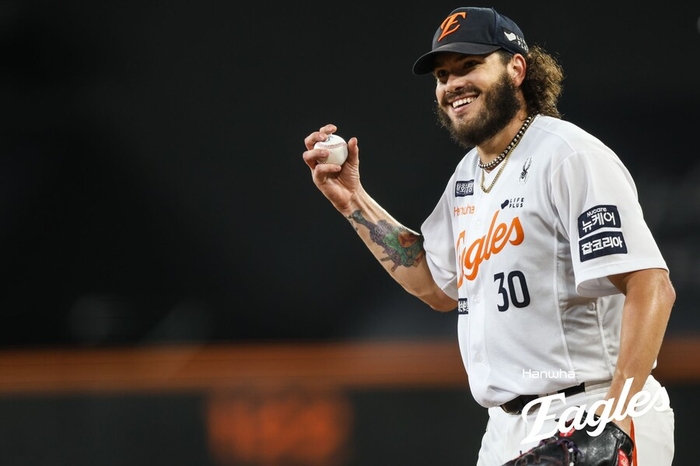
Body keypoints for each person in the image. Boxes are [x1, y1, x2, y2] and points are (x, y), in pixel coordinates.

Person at [302, 6, 675, 466]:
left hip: (591, 406)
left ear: (516, 69)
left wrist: (613, 420)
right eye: (443, 75)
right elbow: (437, 286)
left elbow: (651, 285)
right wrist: (353, 201)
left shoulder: (568, 156)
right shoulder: (468, 175)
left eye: (469, 65)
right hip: (504, 427)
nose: (452, 84)